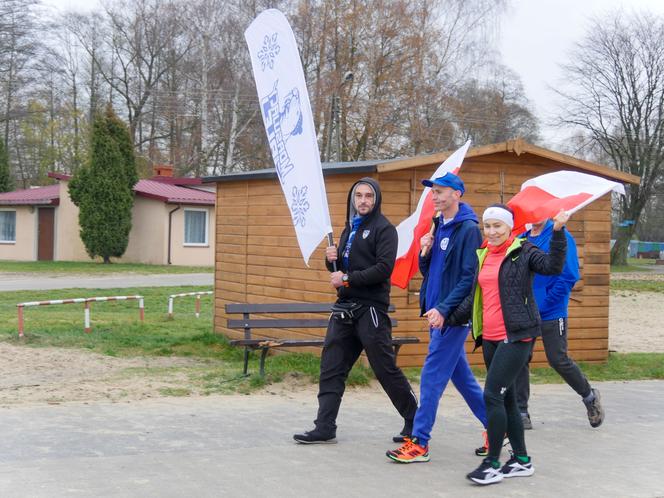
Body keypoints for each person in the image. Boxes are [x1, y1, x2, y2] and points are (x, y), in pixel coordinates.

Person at [448, 204, 569, 486]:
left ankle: (491, 463)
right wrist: (447, 316)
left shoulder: (524, 251)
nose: (491, 232)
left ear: (509, 228)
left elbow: (553, 266)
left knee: (491, 394)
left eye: (497, 226)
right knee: (507, 398)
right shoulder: (483, 254)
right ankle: (522, 460)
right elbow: (474, 295)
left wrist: (559, 231)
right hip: (489, 337)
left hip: (517, 335)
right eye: (487, 226)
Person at [293, 177, 418, 444]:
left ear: (376, 199)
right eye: (359, 196)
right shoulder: (349, 228)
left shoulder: (385, 230)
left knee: (384, 368)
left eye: (368, 196)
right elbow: (340, 270)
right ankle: (324, 426)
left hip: (370, 311)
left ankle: (415, 421)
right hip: (344, 310)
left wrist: (347, 279)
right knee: (331, 368)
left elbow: (383, 269)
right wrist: (331, 261)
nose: (363, 201)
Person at [386, 172, 487, 463]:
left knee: (430, 377)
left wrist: (444, 309)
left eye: (441, 191)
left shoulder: (468, 229)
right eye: (433, 192)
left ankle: (419, 442)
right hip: (437, 314)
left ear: (457, 194)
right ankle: (497, 429)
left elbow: (469, 277)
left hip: (452, 316)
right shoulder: (439, 224)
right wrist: (425, 252)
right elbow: (430, 272)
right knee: (463, 379)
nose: (436, 196)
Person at [514, 219, 605, 430]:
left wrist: (544, 304)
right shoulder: (521, 238)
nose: (534, 214)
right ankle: (521, 411)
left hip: (552, 312)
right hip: (526, 312)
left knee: (558, 359)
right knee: (519, 359)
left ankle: (590, 397)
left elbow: (569, 276)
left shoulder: (561, 235)